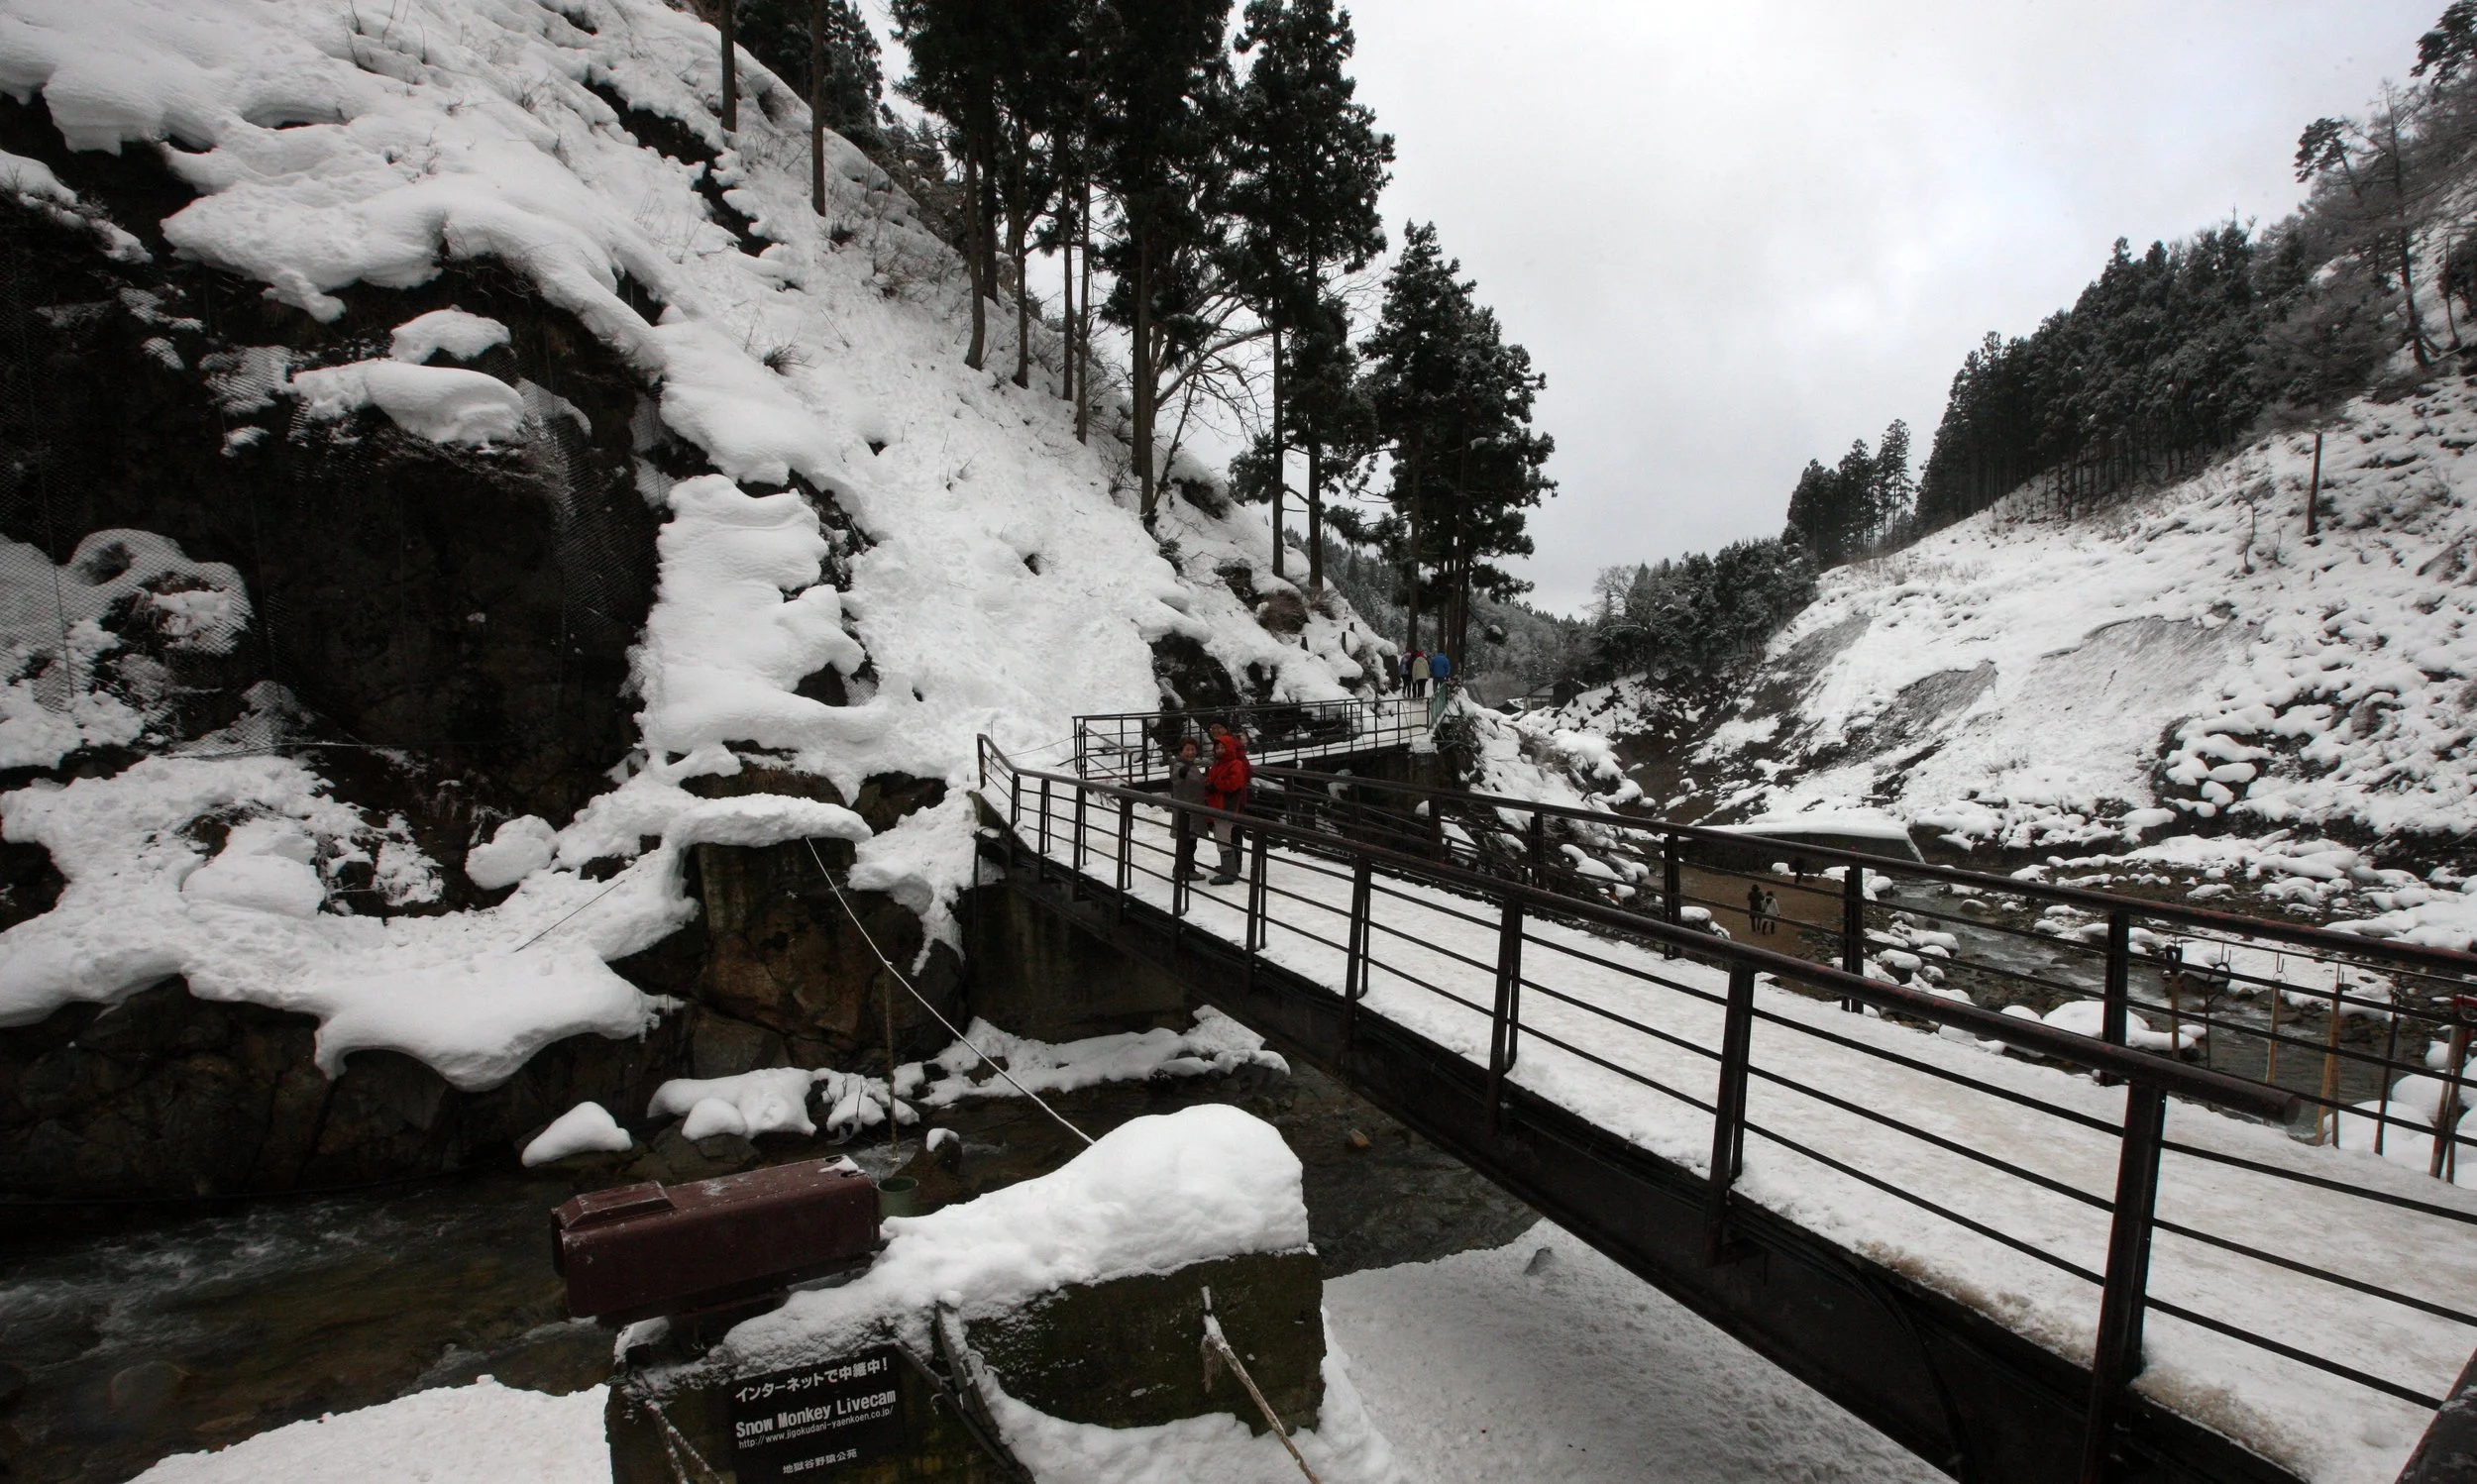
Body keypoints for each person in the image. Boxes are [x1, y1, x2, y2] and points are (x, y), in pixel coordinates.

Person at [1204, 720, 1253, 886]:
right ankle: (1230, 865)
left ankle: (1232, 867)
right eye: (1213, 728)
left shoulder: (1233, 752)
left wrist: (1220, 786)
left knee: (1230, 832)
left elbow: (1241, 774)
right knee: (1224, 834)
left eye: (1219, 727)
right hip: (1223, 800)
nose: (1216, 730)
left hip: (1231, 800)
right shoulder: (1221, 756)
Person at [1167, 736, 1209, 881]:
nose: (1191, 752)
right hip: (1187, 812)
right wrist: (1182, 772)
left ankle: (1183, 868)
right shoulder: (1181, 765)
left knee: (1190, 842)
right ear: (1181, 751)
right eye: (1187, 750)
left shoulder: (1192, 765)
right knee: (1187, 842)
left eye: (1193, 749)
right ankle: (1184, 870)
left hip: (1193, 810)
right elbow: (1176, 777)